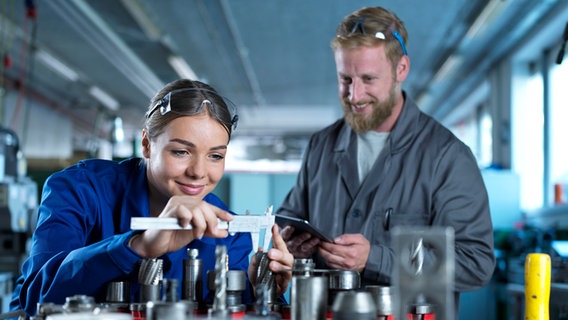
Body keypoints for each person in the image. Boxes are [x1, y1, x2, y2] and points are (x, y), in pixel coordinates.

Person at [10, 79, 293, 316]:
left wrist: (262, 293)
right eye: (181, 152)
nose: (198, 172)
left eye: (215, 156)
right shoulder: (79, 190)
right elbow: (35, 300)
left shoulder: (227, 231)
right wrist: (135, 246)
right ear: (147, 144)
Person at [277, 6, 495, 307]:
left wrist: (376, 259)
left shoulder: (447, 157)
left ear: (401, 70)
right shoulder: (321, 147)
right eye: (345, 79)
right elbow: (287, 225)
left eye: (368, 79)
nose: (354, 95)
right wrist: (290, 246)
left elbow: (475, 262)